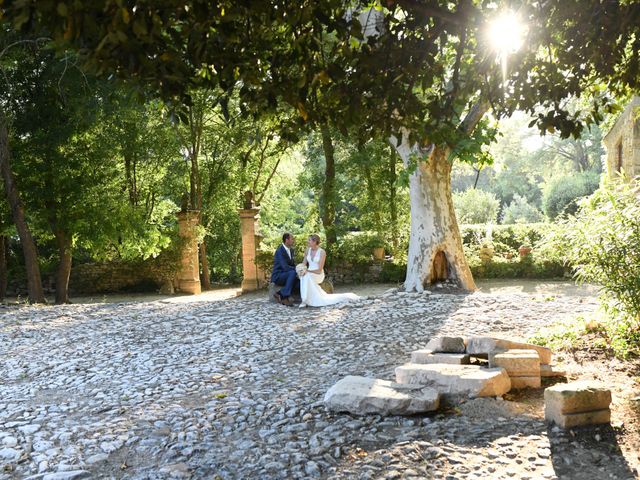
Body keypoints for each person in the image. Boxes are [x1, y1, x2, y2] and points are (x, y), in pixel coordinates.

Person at [299, 234, 360, 308]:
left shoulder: (322, 252)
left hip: (318, 274)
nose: (307, 242)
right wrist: (301, 270)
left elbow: (319, 270)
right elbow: (303, 264)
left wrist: (307, 271)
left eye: (309, 240)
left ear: (315, 242)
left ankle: (304, 300)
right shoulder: (307, 250)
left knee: (307, 275)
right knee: (304, 275)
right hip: (309, 272)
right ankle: (305, 299)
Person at [271, 233, 298, 306]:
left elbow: (292, 265)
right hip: (278, 275)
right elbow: (285, 267)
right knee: (293, 273)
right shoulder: (279, 251)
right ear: (287, 240)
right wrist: (297, 269)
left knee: (299, 282)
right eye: (292, 239)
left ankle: (279, 293)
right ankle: (284, 297)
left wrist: (299, 269)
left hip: (287, 275)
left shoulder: (291, 250)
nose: (293, 241)